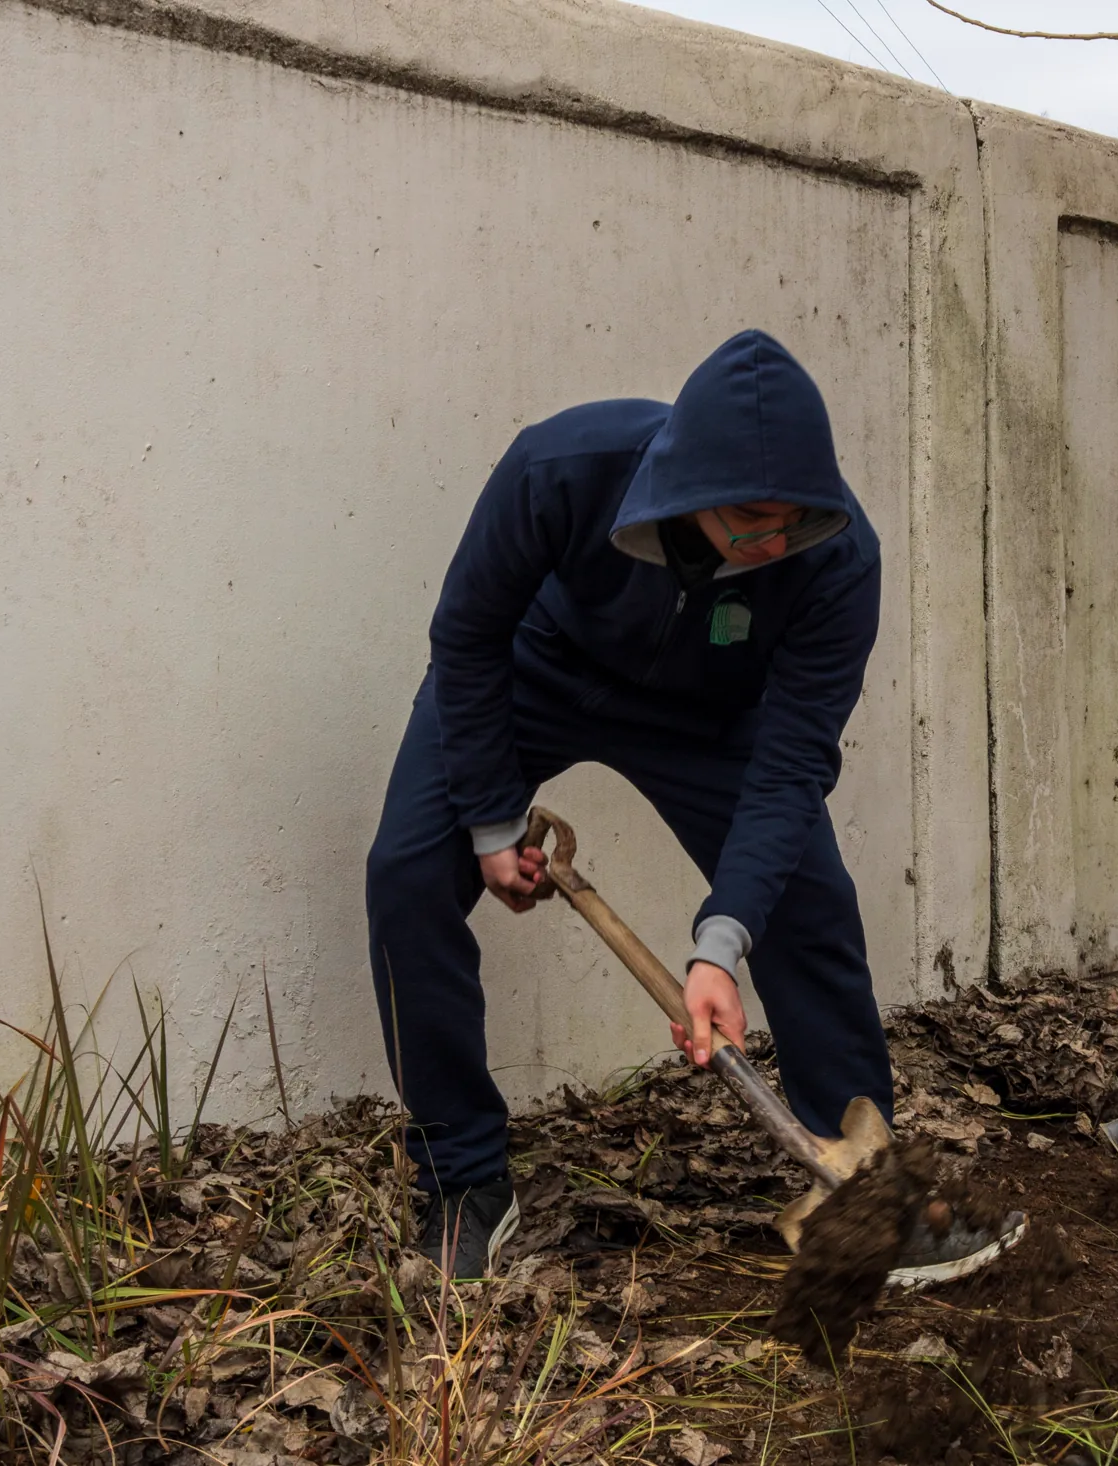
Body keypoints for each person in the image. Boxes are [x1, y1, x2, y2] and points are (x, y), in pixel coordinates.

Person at [366, 329, 895, 1279]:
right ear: (689, 489)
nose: (775, 543)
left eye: (794, 521)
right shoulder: (563, 467)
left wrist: (719, 944)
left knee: (808, 906)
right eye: (753, 520)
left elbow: (791, 763)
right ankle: (465, 1178)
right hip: (537, 667)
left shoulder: (839, 558)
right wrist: (491, 820)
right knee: (406, 875)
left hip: (711, 716)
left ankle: (863, 1191)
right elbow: (469, 634)